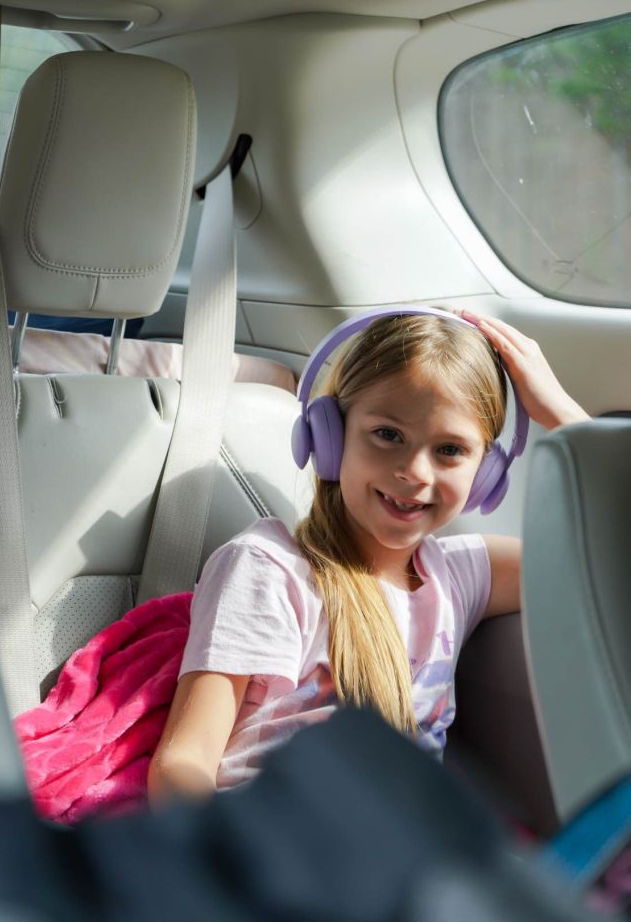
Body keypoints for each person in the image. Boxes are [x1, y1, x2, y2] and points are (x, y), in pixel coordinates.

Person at [147, 307, 589, 805]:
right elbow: (184, 762)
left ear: (487, 473)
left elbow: (611, 559)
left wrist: (566, 419)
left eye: (450, 451)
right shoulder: (269, 569)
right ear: (328, 435)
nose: (415, 471)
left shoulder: (462, 575)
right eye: (388, 435)